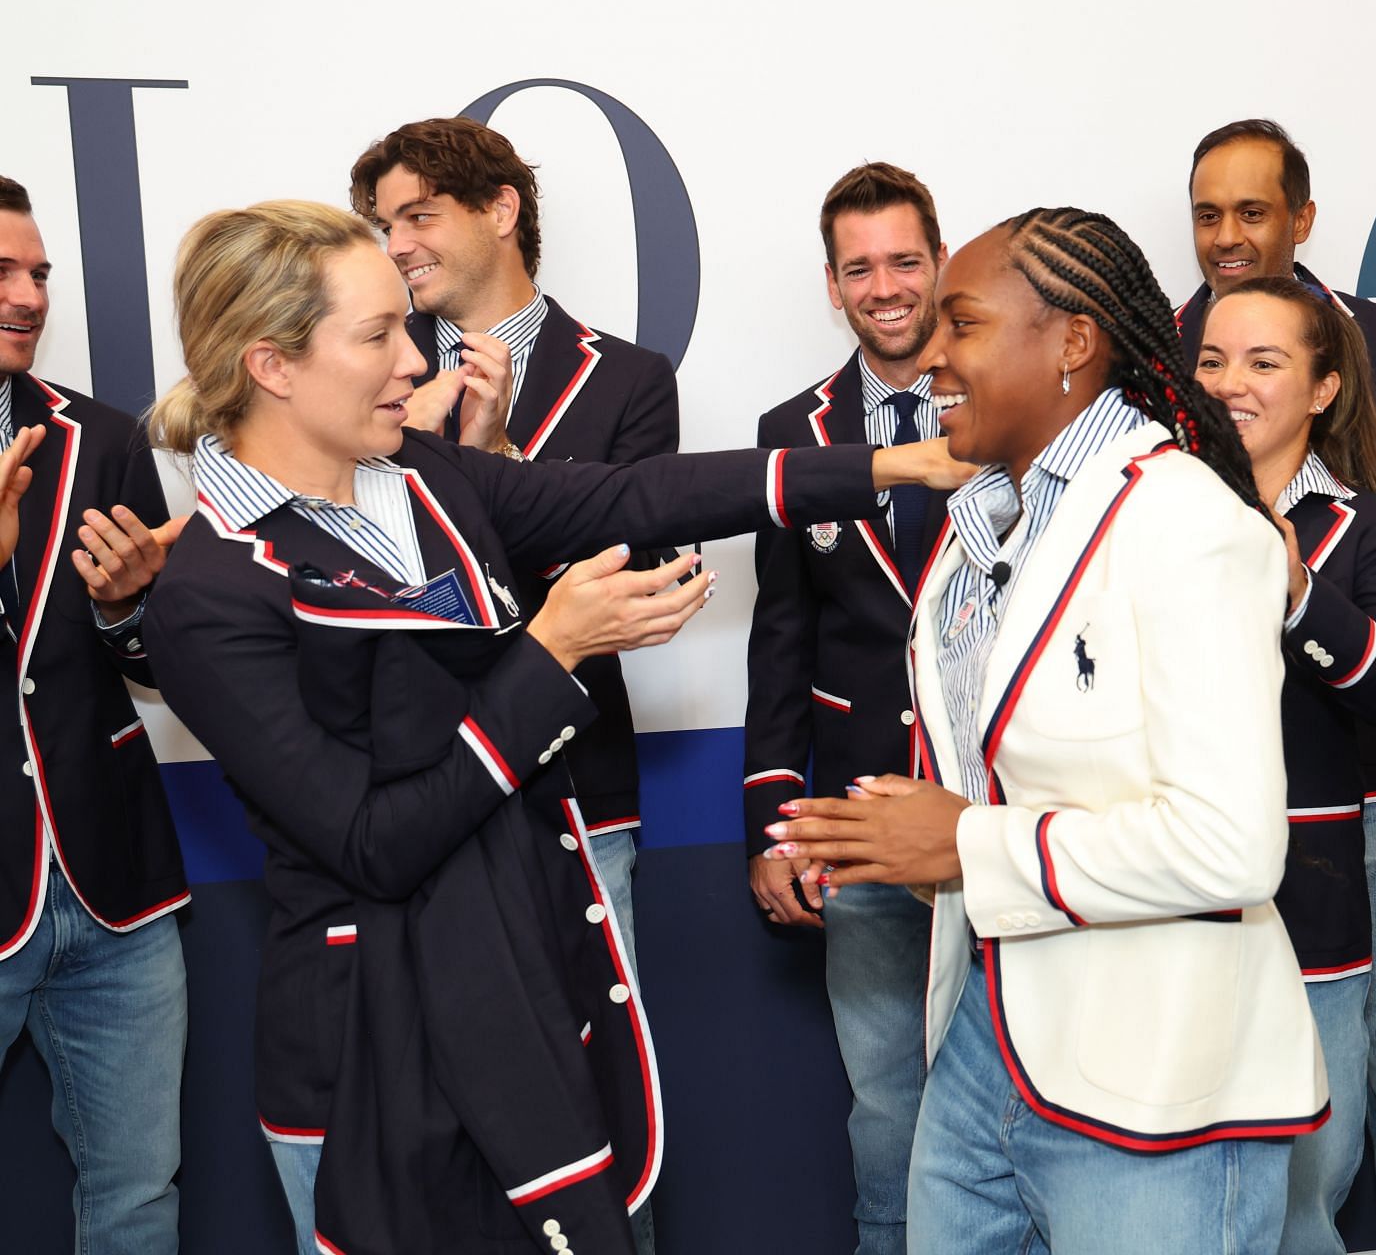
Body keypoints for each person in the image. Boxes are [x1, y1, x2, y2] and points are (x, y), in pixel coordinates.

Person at [139, 200, 967, 1254]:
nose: (415, 361)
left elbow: (639, 493)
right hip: (364, 1054)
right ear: (272, 364)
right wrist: (551, 649)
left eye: (407, 323)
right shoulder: (208, 589)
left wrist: (899, 464)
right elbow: (372, 844)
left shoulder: (426, 479)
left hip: (522, 988)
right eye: (377, 335)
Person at [773, 208, 1327, 1254]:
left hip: (1156, 1069)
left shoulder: (1190, 525)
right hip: (988, 1027)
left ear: (1072, 343)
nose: (932, 354)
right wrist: (918, 841)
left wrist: (963, 842)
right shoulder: (985, 524)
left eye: (964, 324)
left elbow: (1233, 845)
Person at [1181, 117, 1376, 1253]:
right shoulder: (1160, 348)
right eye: (1208, 213)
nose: (1228, 236)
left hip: (1354, 777)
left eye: (1253, 211)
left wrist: (1314, 556)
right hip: (1204, 808)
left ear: (1302, 218)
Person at [349, 117, 681, 991]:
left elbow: (640, 583)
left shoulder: (629, 379)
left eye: (418, 217)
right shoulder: (364, 382)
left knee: (601, 1073)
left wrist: (493, 466)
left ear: (501, 210)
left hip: (579, 790)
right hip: (417, 793)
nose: (398, 245)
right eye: (387, 226)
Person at [742, 161, 948, 1255]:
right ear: (832, 284)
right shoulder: (793, 429)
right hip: (858, 825)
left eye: (904, 259)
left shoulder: (1004, 403)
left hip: (989, 819)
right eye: (860, 267)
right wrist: (778, 821)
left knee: (1016, 1083)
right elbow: (780, 646)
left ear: (940, 263)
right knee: (886, 1096)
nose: (886, 286)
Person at [0, 174, 189, 1254]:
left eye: (39, 274)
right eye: (3, 273)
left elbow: (164, 668)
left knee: (138, 1195)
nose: (29, 296)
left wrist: (126, 612)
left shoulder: (102, 438)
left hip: (117, 886)